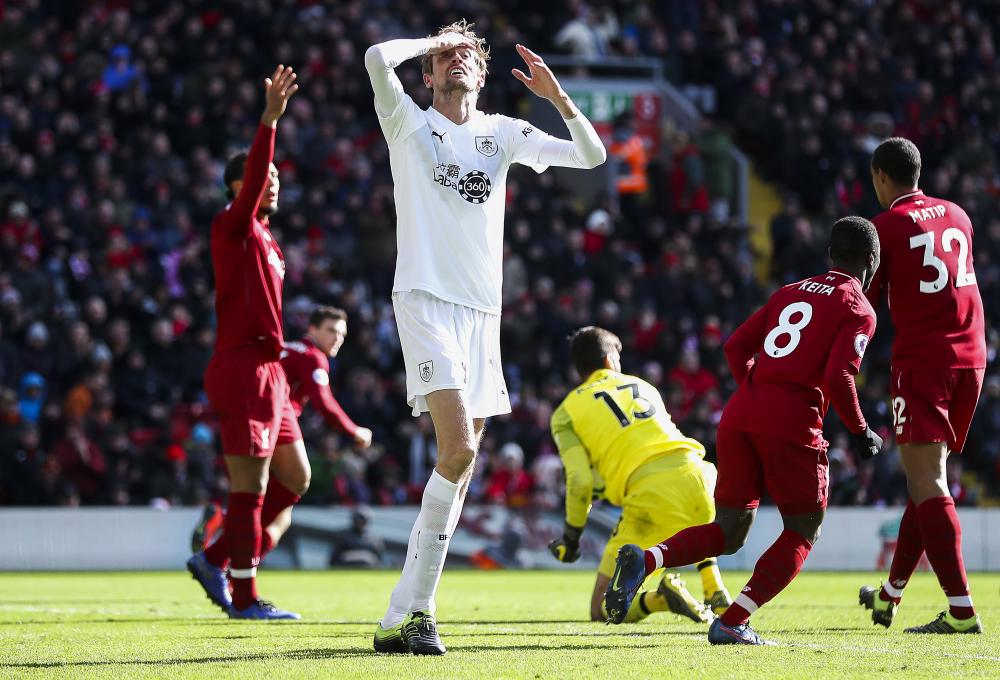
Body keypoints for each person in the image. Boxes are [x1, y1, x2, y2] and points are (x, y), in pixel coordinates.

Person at [365, 19, 606, 655]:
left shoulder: (502, 132)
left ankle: (402, 614)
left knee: (461, 466)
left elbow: (591, 156)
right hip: (426, 301)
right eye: (444, 57)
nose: (456, 62)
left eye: (466, 55)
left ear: (482, 72)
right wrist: (432, 41)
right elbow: (375, 57)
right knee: (458, 451)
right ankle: (416, 613)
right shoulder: (408, 123)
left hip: (482, 316)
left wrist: (559, 100)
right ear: (427, 73)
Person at [605, 216, 885, 645]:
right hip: (792, 422)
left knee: (730, 530)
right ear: (872, 261)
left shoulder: (790, 291)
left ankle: (646, 560)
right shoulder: (858, 308)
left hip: (739, 416)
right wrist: (862, 430)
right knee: (802, 529)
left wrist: (756, 394)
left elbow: (735, 347)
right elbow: (839, 374)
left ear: (830, 254)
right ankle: (733, 620)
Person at [185, 65, 304, 620]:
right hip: (242, 368)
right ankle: (246, 597)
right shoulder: (232, 228)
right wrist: (269, 123)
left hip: (271, 371)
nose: (272, 182)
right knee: (251, 486)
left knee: (296, 476)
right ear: (239, 187)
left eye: (278, 177)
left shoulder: (269, 243)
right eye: (264, 176)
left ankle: (215, 557)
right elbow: (254, 178)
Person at [858, 137, 986, 634]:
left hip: (924, 362)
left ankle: (961, 611)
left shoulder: (885, 227)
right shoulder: (958, 214)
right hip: (971, 359)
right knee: (925, 478)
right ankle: (890, 595)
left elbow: (864, 300)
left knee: (928, 480)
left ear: (880, 176)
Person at [548, 326, 729, 624]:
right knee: (695, 522)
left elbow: (580, 480)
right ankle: (714, 587)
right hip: (701, 475)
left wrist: (571, 538)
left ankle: (660, 598)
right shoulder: (643, 385)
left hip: (649, 497)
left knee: (602, 607)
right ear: (609, 360)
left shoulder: (565, 412)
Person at [190, 306, 373, 570]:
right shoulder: (312, 356)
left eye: (342, 334)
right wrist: (354, 431)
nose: (337, 338)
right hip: (273, 424)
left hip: (247, 419)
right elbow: (323, 402)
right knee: (282, 504)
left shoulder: (285, 349)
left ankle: (225, 538)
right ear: (312, 329)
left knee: (270, 507)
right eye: (331, 331)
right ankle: (225, 564)